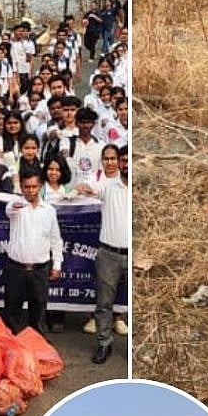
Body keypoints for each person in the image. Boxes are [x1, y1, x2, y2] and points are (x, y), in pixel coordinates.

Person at [76, 146, 129, 363]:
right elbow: (89, 187)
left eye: (129, 160)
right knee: (104, 303)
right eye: (123, 161)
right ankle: (104, 343)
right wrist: (83, 187)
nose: (126, 165)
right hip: (108, 253)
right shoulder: (108, 186)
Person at [3, 168, 62, 334]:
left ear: (40, 186)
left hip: (40, 270)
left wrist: (57, 264)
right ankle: (11, 345)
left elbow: (55, 239)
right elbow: (9, 210)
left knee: (38, 313)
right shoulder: (15, 206)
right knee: (12, 313)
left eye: (34, 186)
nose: (30, 190)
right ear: (21, 187)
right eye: (26, 187)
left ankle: (37, 345)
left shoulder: (49, 211)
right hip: (16, 269)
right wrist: (14, 205)